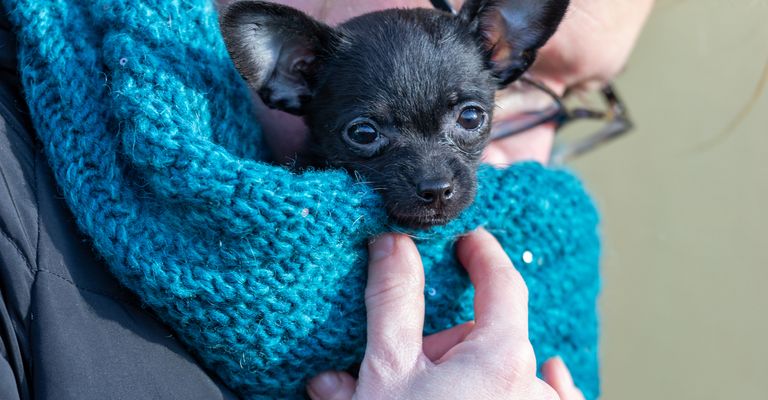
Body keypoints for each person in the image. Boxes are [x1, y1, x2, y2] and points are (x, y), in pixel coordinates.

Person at [0, 1, 652, 399]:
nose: (527, 152)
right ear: (293, 72)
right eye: (368, 133)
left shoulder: (548, 282)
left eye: (471, 116)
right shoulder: (19, 215)